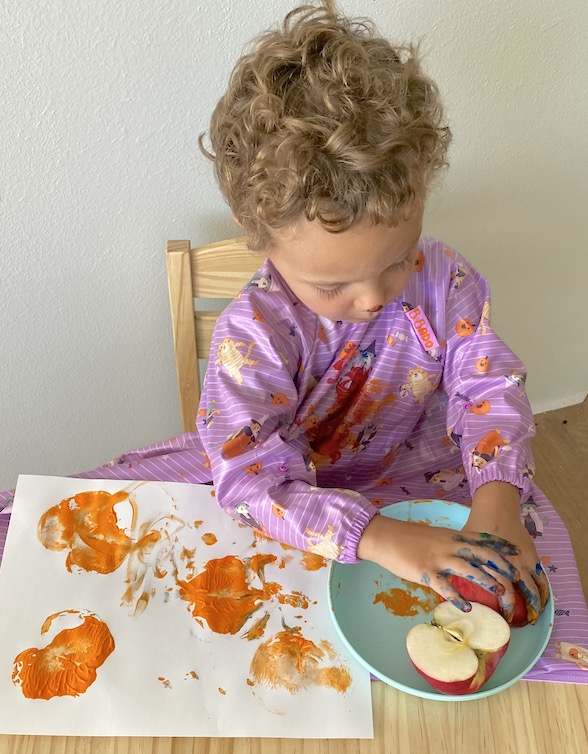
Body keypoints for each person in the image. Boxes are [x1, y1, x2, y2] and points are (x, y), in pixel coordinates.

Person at [0, 1, 550, 624]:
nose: (372, 300)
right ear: (256, 231)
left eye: (397, 261)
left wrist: (500, 495)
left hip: (414, 477)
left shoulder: (447, 280)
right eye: (332, 283)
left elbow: (489, 388)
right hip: (281, 497)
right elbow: (251, 478)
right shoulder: (253, 331)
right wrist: (376, 538)